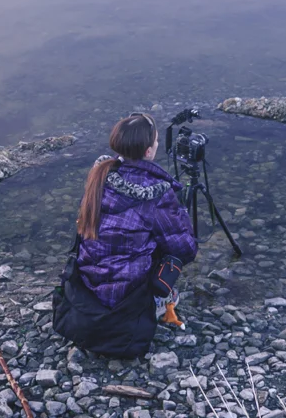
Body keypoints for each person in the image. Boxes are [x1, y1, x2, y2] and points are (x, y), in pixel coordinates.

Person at [52, 113, 198, 358]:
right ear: (149, 152)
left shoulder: (99, 176)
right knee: (168, 248)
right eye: (156, 141)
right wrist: (180, 213)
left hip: (87, 286)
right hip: (127, 298)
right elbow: (185, 249)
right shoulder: (157, 192)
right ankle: (162, 306)